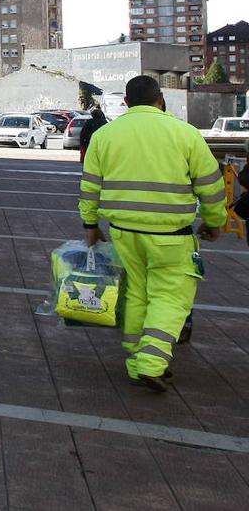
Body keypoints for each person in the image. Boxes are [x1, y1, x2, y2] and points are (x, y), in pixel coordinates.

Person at [79, 75, 226, 392]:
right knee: (171, 298)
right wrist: (215, 223)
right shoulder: (184, 134)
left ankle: (135, 361)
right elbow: (211, 187)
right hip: (171, 235)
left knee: (137, 295)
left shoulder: (105, 136)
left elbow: (89, 186)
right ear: (160, 100)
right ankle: (151, 362)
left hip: (124, 233)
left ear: (127, 103)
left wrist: (90, 225)